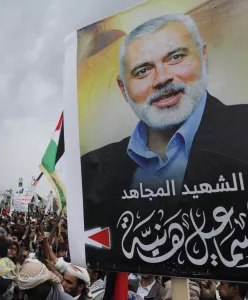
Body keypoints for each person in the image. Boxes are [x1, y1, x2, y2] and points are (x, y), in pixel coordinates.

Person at [81, 12, 248, 274]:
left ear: (203, 57)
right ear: (124, 89)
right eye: (143, 70)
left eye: (176, 57)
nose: (161, 79)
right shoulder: (95, 168)